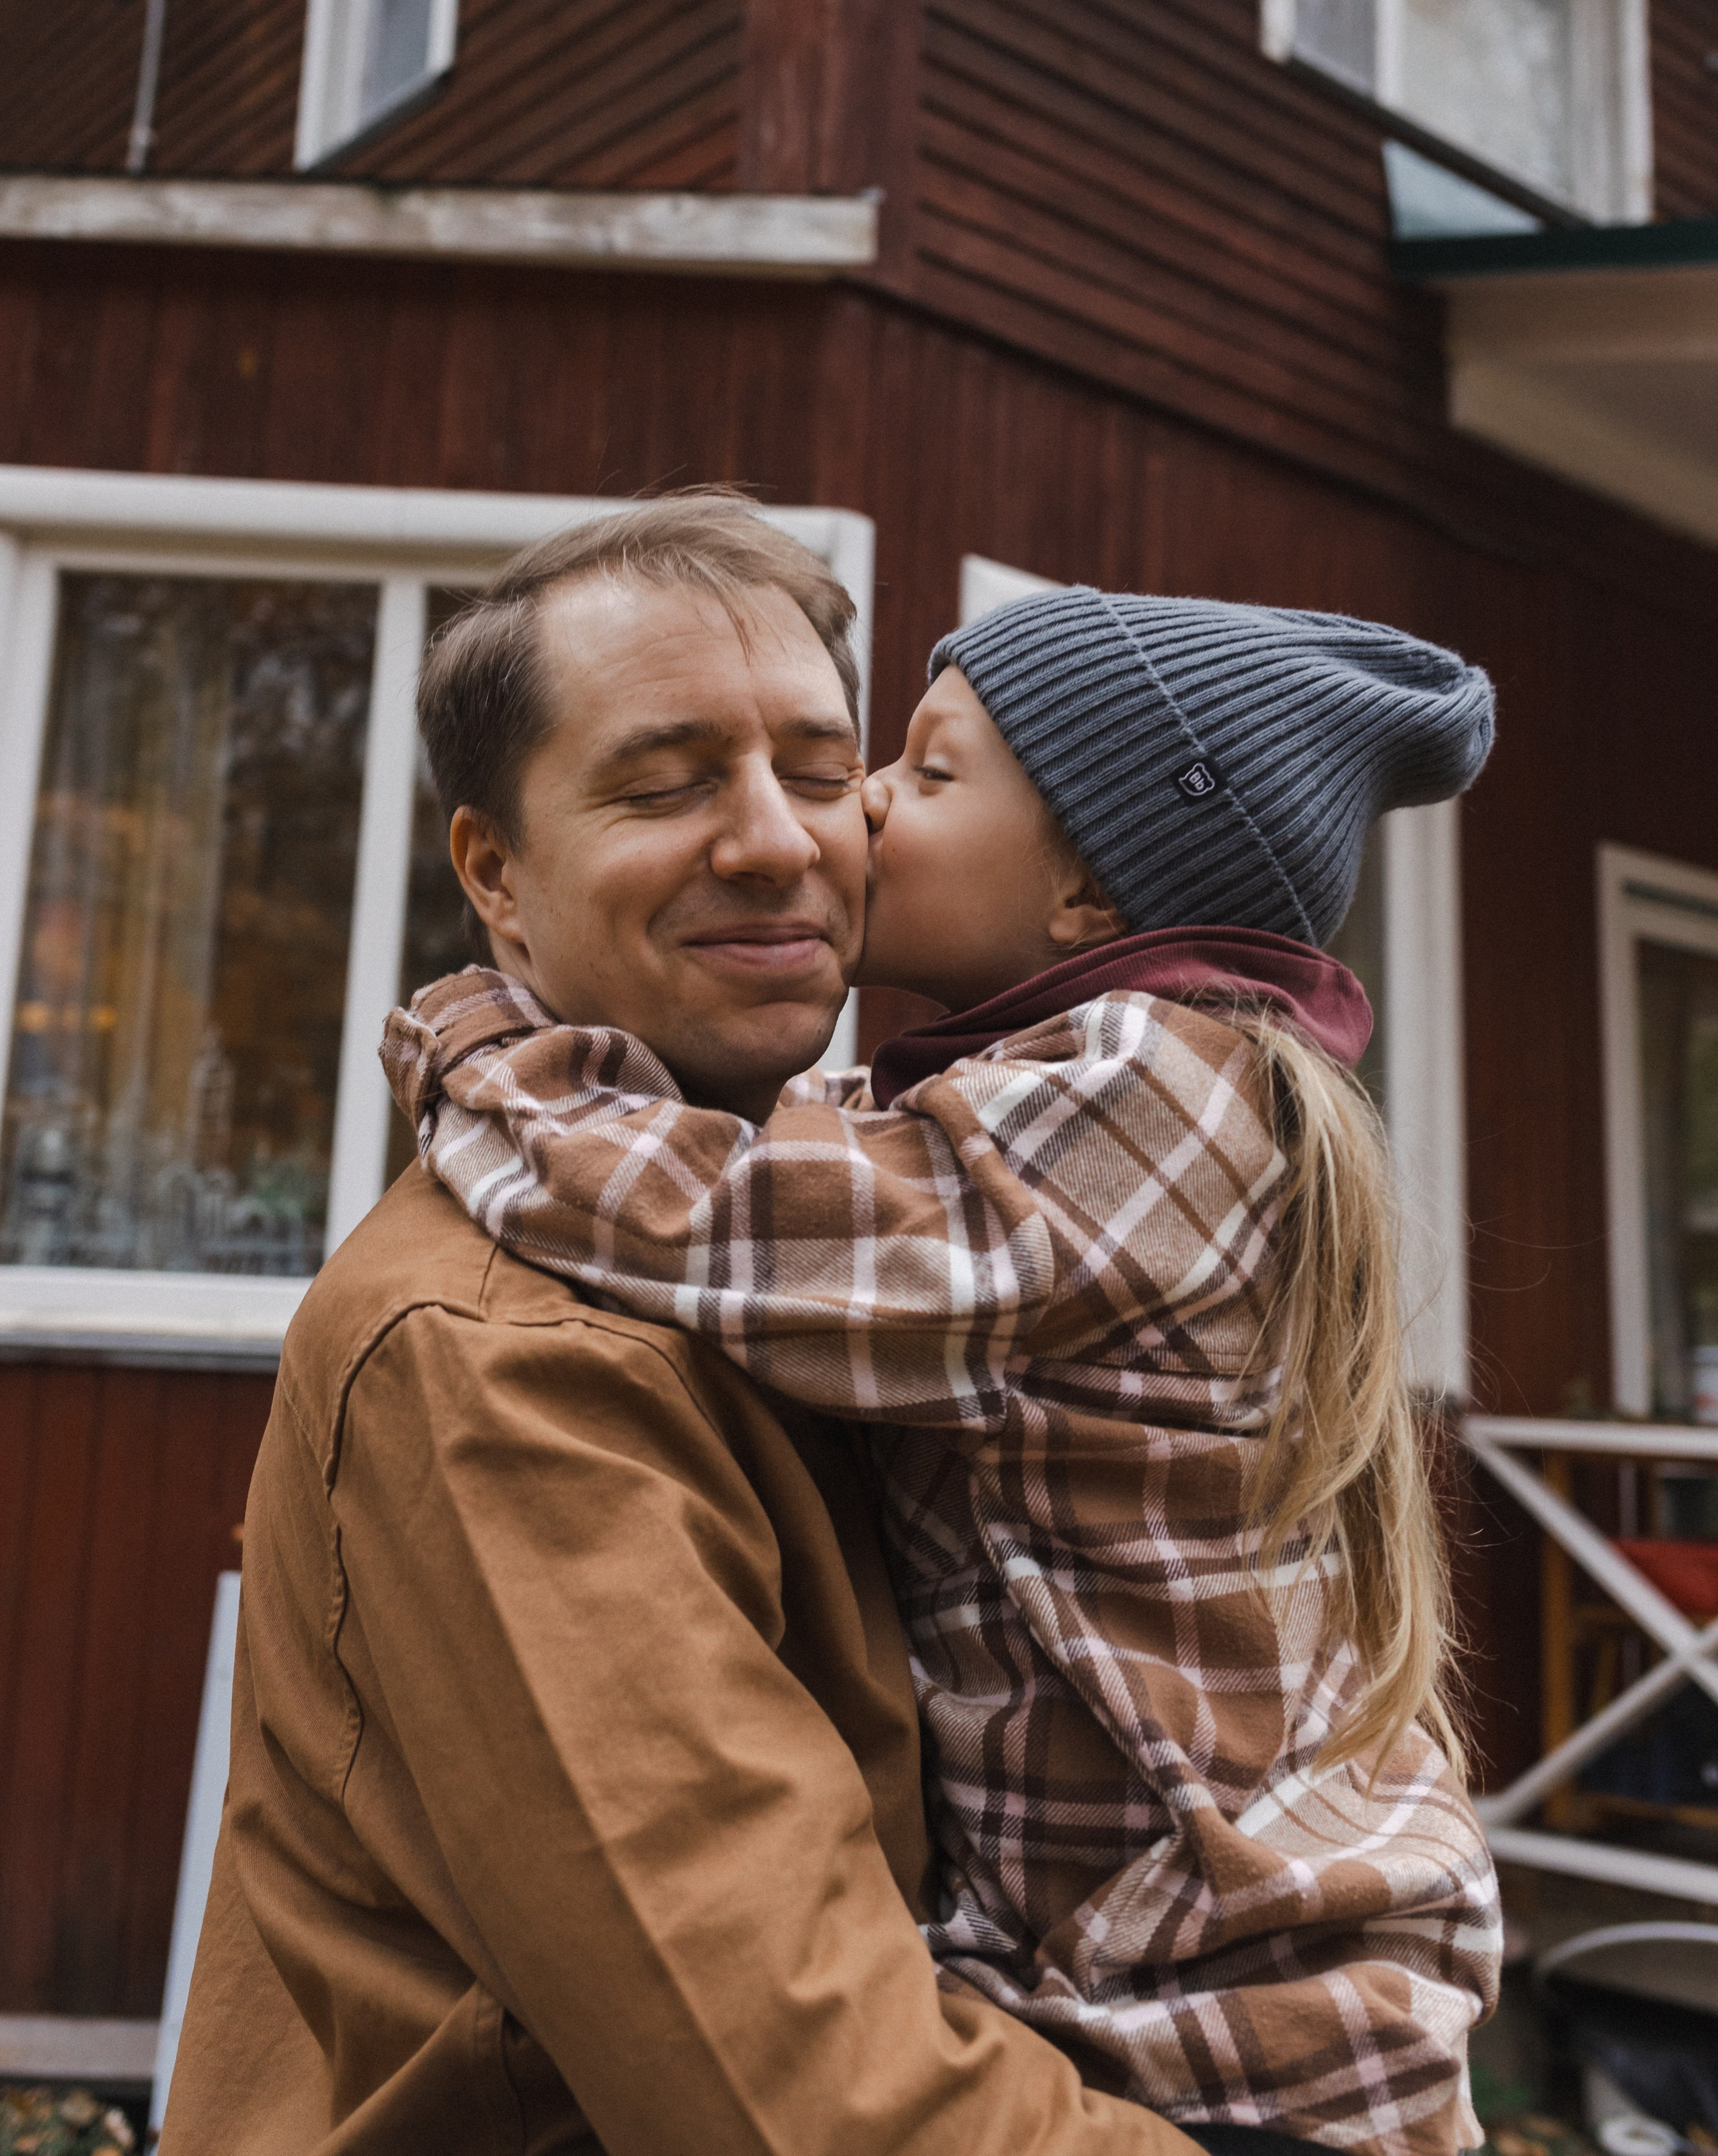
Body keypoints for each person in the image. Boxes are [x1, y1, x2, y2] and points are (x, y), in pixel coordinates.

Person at [385, 581, 1506, 2156]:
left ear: (1088, 899)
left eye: (920, 771)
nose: (858, 812)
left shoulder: (1145, 1087)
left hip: (1239, 2022)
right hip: (1136, 1985)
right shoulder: (1041, 1089)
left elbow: (722, 1225)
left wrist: (480, 1052)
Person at [162, 500, 1198, 2156]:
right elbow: (800, 2101)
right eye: (664, 784)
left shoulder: (851, 1247)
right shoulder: (501, 1356)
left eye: (816, 767)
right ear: (494, 871)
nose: (777, 840)